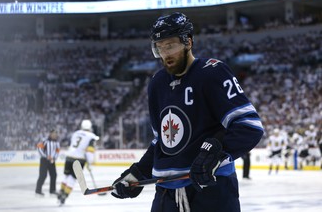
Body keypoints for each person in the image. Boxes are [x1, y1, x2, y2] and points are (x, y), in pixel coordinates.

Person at [110, 12, 264, 212]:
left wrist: (215, 154)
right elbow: (161, 142)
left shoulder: (212, 72)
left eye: (171, 45)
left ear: (188, 42)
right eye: (160, 47)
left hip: (210, 191)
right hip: (165, 194)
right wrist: (139, 172)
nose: (165, 53)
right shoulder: (156, 83)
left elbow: (249, 126)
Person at [58, 119, 99, 205]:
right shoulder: (92, 136)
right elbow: (89, 151)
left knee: (66, 176)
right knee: (72, 178)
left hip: (69, 157)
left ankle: (61, 191)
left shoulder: (76, 133)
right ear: (90, 127)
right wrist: (90, 162)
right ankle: (64, 196)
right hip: (79, 160)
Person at [35, 129, 60, 196]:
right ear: (50, 134)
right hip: (44, 161)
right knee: (43, 175)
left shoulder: (57, 142)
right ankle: (38, 191)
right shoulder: (45, 141)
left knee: (54, 175)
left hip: (52, 161)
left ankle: (52, 191)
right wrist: (46, 156)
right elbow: (39, 148)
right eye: (53, 133)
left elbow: (57, 151)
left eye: (56, 133)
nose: (55, 135)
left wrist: (54, 158)